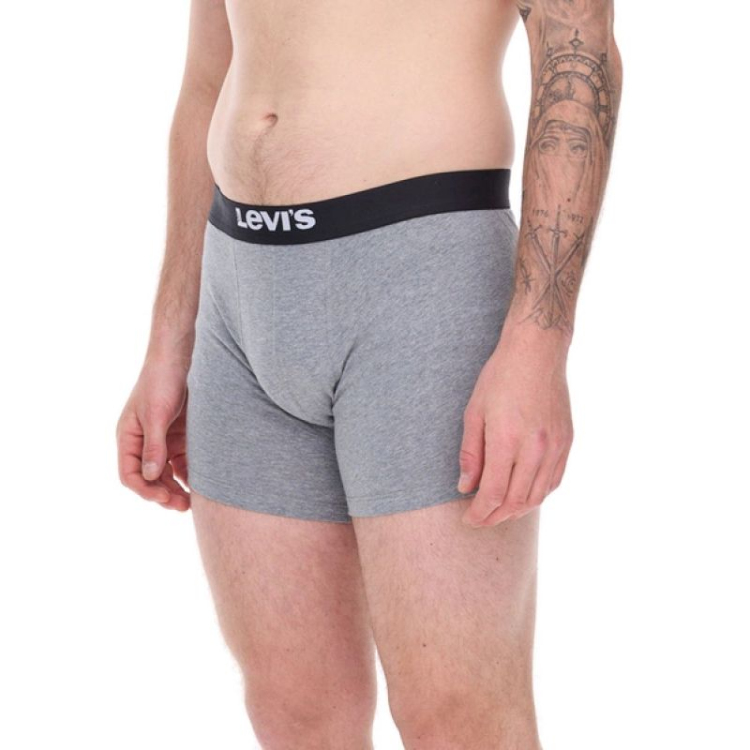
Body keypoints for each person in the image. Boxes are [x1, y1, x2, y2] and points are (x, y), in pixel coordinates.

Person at [116, 0, 621, 746]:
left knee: (457, 713)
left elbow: (576, 51)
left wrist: (538, 344)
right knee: (292, 708)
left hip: (421, 274)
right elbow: (206, 81)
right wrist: (169, 339)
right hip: (239, 290)